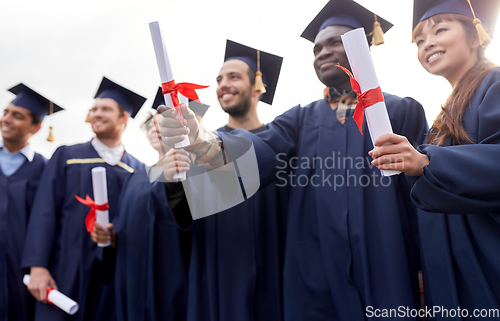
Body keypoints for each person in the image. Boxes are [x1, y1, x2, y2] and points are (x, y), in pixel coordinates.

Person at [159, 0, 428, 319]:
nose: (322, 52)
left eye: (334, 43)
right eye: (316, 49)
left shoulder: (402, 111)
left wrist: (425, 266)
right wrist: (200, 136)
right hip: (313, 276)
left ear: (364, 45)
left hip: (387, 261)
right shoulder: (300, 120)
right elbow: (259, 148)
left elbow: (421, 196)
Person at [371, 0, 500, 317]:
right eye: (418, 40)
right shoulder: (440, 123)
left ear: (476, 35)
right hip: (450, 278)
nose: (427, 42)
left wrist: (427, 163)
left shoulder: (495, 85)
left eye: (440, 29)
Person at [164, 40, 288, 321]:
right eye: (219, 79)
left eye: (234, 77)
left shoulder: (281, 142)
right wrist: (172, 182)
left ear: (258, 85)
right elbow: (182, 215)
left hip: (276, 273)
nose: (223, 84)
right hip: (217, 276)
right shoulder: (197, 148)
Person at [21, 76, 146, 321]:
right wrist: (37, 267)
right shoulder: (67, 156)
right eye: (94, 109)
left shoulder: (137, 171)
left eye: (105, 109)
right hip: (62, 270)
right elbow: (44, 211)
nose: (96, 114)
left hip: (112, 276)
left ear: (124, 118)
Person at [91, 90, 210, 321]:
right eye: (152, 123)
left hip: (173, 286)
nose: (156, 127)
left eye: (164, 123)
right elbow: (124, 230)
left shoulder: (195, 173)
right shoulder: (135, 178)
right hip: (132, 287)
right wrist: (111, 238)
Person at [0, 84, 63, 321]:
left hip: (23, 272)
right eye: (6, 112)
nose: (6, 119)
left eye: (17, 116)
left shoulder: (46, 169)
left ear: (36, 127)